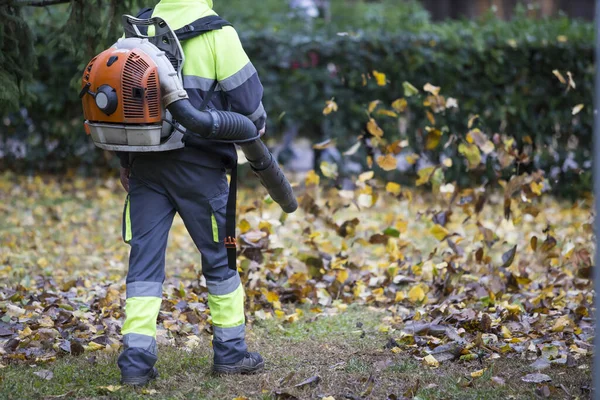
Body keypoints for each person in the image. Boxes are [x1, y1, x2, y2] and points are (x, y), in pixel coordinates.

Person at [116, 0, 266, 386]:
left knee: (144, 266)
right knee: (220, 258)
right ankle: (231, 354)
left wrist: (125, 161)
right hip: (201, 167)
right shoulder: (219, 34)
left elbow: (119, 99)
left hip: (146, 166)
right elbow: (250, 106)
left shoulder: (135, 30)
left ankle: (135, 362)